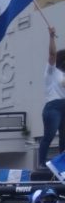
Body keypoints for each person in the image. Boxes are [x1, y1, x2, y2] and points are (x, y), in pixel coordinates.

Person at [40, 26, 65, 168]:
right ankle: (42, 162)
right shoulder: (51, 71)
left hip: (63, 106)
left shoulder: (63, 75)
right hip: (53, 107)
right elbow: (52, 54)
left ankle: (62, 163)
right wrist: (51, 37)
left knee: (64, 138)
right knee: (49, 136)